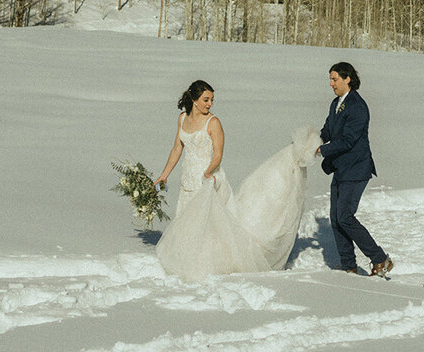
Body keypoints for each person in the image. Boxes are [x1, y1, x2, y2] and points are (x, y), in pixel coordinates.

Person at [153, 80, 320, 281]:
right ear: (193, 99)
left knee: (209, 225)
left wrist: (208, 172)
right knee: (187, 220)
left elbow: (218, 153)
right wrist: (164, 174)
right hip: (187, 178)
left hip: (208, 178)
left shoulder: (213, 123)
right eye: (206, 100)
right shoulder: (182, 119)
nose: (209, 104)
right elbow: (177, 148)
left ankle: (208, 265)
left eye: (212, 100)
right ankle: (186, 261)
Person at [318, 62, 393, 277]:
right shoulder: (336, 103)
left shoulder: (358, 106)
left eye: (335, 79)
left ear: (347, 78)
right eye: (330, 79)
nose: (331, 83)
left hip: (356, 169)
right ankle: (348, 266)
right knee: (336, 218)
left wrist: (321, 150)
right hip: (340, 168)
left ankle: (380, 259)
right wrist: (313, 141)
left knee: (345, 216)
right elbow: (328, 130)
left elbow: (348, 140)